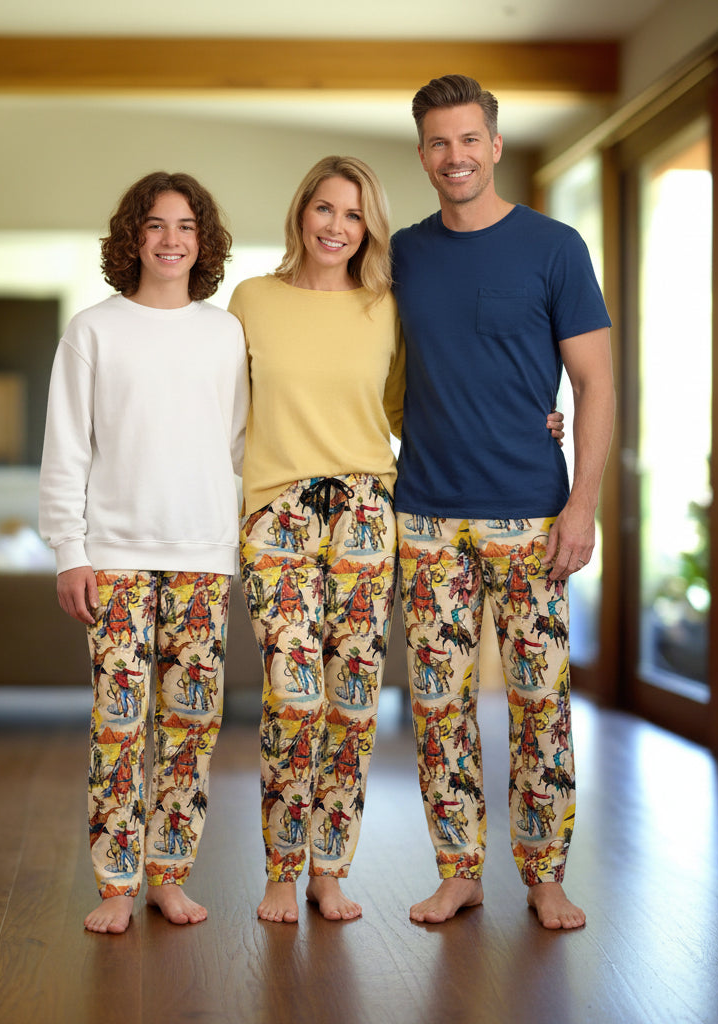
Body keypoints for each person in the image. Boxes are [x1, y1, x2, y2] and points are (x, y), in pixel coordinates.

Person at [230, 155, 563, 925]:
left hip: (371, 513)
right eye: (324, 209)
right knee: (294, 695)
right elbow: (223, 412)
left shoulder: (386, 306)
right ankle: (283, 869)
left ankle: (328, 871)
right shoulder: (250, 300)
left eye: (353, 215)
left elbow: (422, 403)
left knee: (351, 706)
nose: (336, 227)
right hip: (276, 515)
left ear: (369, 227)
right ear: (300, 212)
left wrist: (531, 426)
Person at [391, 74, 616, 930]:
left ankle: (545, 877)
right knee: (439, 708)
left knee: (538, 705)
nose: (456, 156)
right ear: (424, 155)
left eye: (469, 139)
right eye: (439, 143)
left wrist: (582, 504)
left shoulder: (555, 248)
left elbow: (594, 383)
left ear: (492, 141)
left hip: (531, 515)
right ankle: (459, 873)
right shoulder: (404, 252)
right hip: (425, 519)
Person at [39, 171, 248, 934]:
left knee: (192, 725)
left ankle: (169, 875)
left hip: (203, 553)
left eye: (186, 226)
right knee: (118, 726)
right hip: (116, 556)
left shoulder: (225, 333)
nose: (170, 239)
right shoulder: (93, 329)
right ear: (133, 237)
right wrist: (70, 549)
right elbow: (65, 448)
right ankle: (117, 882)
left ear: (204, 240)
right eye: (155, 225)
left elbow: (239, 445)